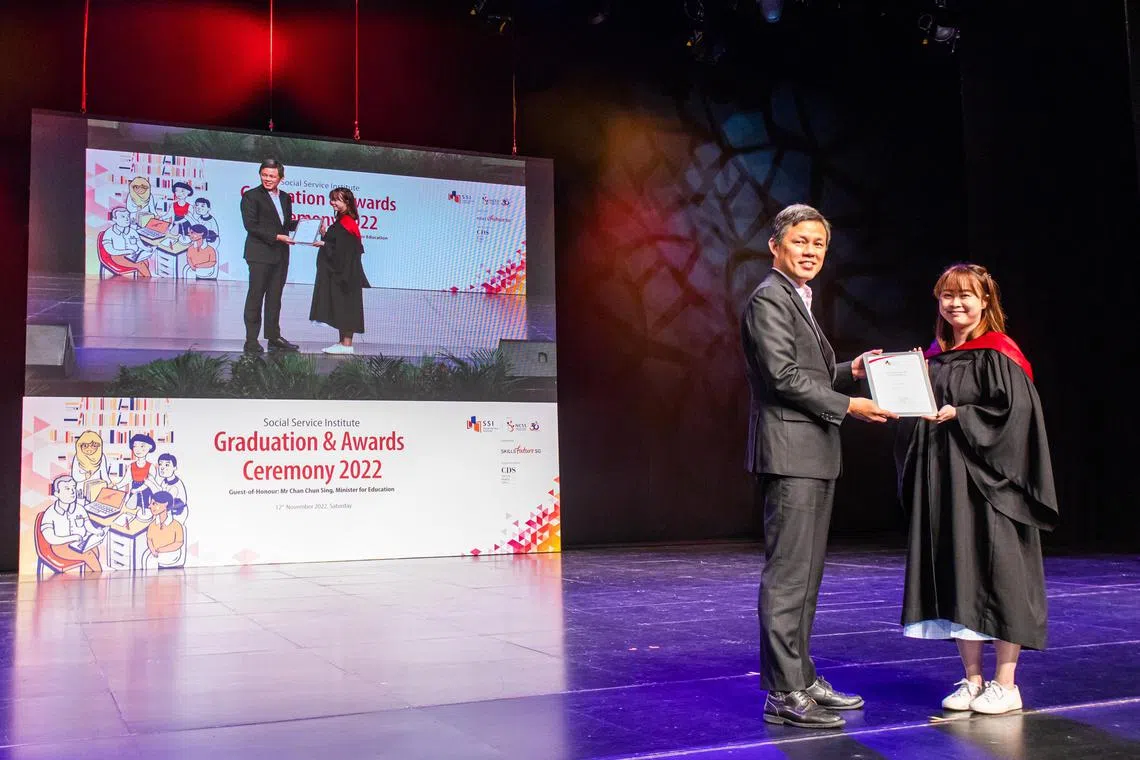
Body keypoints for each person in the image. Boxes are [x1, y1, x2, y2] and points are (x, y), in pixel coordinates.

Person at [741, 204, 896, 729]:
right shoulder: (770, 297)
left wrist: (853, 370)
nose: (810, 252)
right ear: (775, 245)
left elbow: (810, 373)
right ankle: (783, 692)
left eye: (819, 244)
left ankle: (800, 677)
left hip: (811, 454)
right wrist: (850, 405)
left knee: (806, 577)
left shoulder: (797, 297)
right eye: (800, 241)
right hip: (790, 454)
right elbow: (782, 377)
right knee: (789, 577)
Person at [898, 263, 1058, 715]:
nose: (956, 303)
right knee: (959, 574)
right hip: (947, 482)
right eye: (947, 295)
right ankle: (972, 681)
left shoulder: (999, 354)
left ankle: (1006, 684)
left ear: (985, 301)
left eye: (966, 295)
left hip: (993, 485)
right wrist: (910, 382)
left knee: (1002, 576)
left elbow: (1016, 418)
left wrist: (962, 415)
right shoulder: (935, 357)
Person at [241, 158, 298, 354]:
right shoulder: (251, 196)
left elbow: (285, 224)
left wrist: (306, 226)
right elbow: (251, 225)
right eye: (264, 175)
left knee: (275, 298)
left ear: (281, 177)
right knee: (255, 297)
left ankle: (274, 338)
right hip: (259, 254)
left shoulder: (286, 198)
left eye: (272, 176)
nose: (267, 179)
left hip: (280, 255)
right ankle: (251, 340)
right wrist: (277, 237)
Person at [309, 187, 369, 354]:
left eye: (336, 199)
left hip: (346, 273)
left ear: (347, 202)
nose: (332, 202)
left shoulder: (347, 223)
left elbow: (346, 250)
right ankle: (343, 343)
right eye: (332, 199)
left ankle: (347, 344)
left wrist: (324, 244)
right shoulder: (342, 220)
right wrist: (324, 235)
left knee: (347, 305)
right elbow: (338, 244)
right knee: (342, 306)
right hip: (343, 272)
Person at [40, 475, 103, 573]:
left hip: (79, 543)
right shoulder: (50, 513)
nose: (72, 491)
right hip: (60, 546)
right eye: (67, 489)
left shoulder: (80, 508)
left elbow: (88, 526)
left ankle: (89, 579)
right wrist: (72, 538)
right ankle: (99, 579)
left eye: (73, 487)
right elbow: (50, 538)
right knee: (89, 555)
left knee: (95, 550)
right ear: (57, 494)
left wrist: (97, 531)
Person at [103, 208, 153, 278]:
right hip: (118, 256)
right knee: (140, 264)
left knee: (145, 262)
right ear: (115, 219)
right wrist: (127, 251)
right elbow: (110, 250)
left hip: (133, 255)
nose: (127, 219)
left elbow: (139, 243)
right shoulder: (109, 233)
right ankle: (148, 282)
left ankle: (141, 282)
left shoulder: (132, 231)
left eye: (128, 216)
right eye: (123, 217)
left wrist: (147, 249)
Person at [70, 430, 111, 497]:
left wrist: (109, 483)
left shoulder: (101, 456)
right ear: (80, 446)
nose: (89, 449)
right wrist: (85, 476)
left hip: (98, 489)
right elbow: (75, 476)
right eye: (85, 446)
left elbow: (104, 475)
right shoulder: (77, 457)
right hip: (82, 490)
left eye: (93, 446)